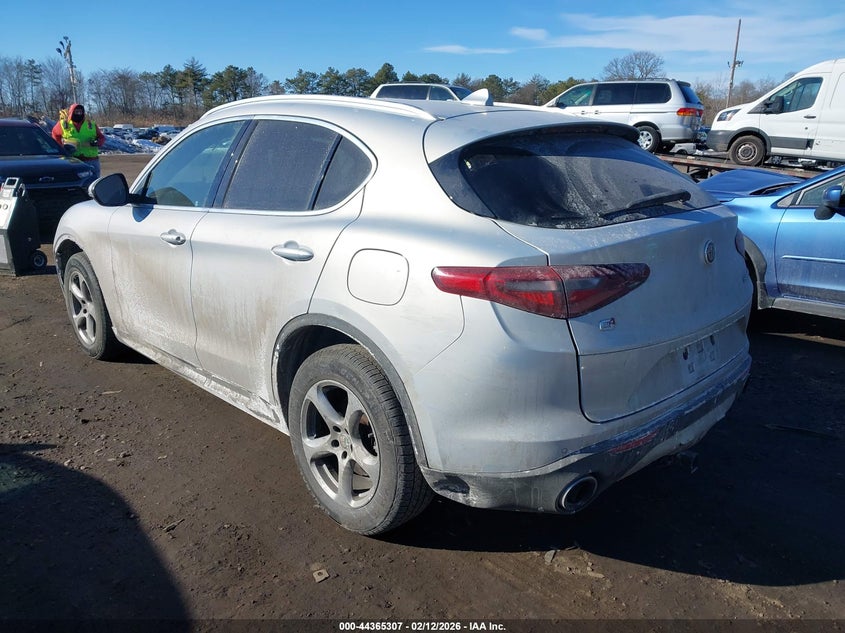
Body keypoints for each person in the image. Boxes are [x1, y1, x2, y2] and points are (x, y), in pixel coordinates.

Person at [51, 103, 106, 178]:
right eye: (76, 112)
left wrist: (98, 142)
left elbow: (101, 137)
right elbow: (55, 135)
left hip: (91, 160)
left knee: (94, 183)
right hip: (72, 160)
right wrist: (61, 148)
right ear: (71, 112)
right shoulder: (63, 124)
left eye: (81, 112)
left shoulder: (91, 124)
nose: (79, 114)